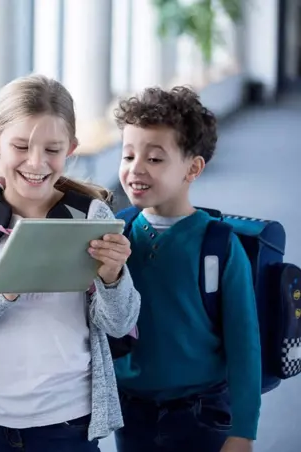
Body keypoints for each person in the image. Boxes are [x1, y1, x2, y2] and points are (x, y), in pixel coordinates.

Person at [0, 74, 141, 452]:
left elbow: (120, 323)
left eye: (52, 149)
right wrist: (4, 290)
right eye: (21, 146)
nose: (36, 162)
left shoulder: (90, 215)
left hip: (67, 421)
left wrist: (112, 277)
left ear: (71, 149)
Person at [113, 86, 260, 452]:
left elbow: (244, 345)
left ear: (192, 168)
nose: (136, 169)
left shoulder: (219, 246)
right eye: (128, 155)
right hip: (131, 412)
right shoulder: (118, 233)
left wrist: (243, 430)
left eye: (155, 159)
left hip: (202, 412)